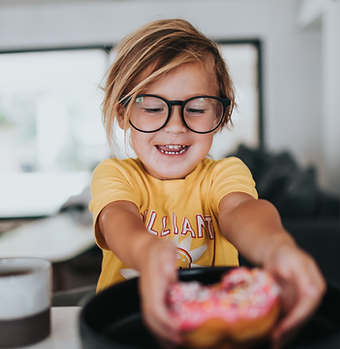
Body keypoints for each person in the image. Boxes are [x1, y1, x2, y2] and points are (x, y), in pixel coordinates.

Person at [89, 18, 326, 349]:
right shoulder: (116, 174)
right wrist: (146, 250)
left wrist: (275, 246)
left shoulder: (225, 173)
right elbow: (117, 219)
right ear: (122, 113)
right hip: (128, 330)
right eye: (154, 107)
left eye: (197, 108)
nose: (175, 126)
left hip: (217, 335)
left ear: (219, 117)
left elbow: (242, 210)